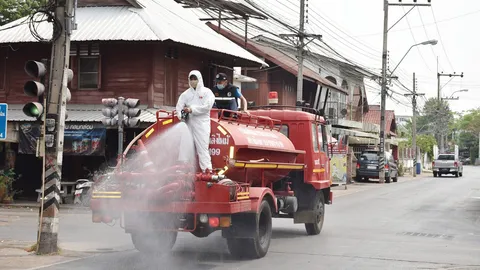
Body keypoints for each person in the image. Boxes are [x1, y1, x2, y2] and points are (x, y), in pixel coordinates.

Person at [175, 70, 215, 173]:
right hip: (188, 124)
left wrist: (192, 109)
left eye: (195, 79)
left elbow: (207, 107)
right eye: (191, 79)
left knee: (202, 148)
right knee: (184, 148)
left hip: (202, 124)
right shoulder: (185, 94)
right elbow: (178, 108)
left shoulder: (207, 92)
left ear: (199, 79)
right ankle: (182, 171)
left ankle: (207, 171)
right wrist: (181, 116)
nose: (193, 81)